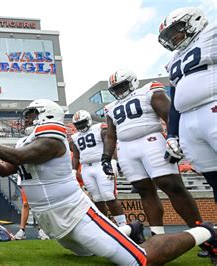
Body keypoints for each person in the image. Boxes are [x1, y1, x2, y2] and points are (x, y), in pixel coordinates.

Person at [0, 99, 217, 265]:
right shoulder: (27, 141)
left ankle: (206, 231)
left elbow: (16, 157)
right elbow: (4, 168)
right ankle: (132, 229)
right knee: (87, 252)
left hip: (74, 211)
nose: (27, 119)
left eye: (32, 114)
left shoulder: (53, 139)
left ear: (48, 115)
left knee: (137, 260)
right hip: (49, 216)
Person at [102, 69, 203, 236]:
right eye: (116, 89)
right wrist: (106, 158)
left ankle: (203, 233)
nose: (119, 91)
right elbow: (111, 135)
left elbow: (168, 115)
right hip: (126, 148)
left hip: (152, 141)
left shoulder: (149, 90)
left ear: (133, 81)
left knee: (171, 185)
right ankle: (157, 235)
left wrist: (174, 138)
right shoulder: (110, 107)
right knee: (143, 190)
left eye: (122, 86)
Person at [158, 7, 216, 202]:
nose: (173, 37)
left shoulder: (211, 34)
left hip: (212, 106)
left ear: (194, 21)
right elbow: (174, 98)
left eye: (176, 30)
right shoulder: (174, 59)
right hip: (188, 120)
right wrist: (172, 133)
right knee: (213, 178)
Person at [71, 110, 127, 227]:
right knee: (96, 198)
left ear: (89, 121)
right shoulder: (75, 137)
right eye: (78, 124)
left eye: (82, 122)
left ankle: (123, 225)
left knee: (109, 195)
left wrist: (113, 161)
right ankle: (104, 225)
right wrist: (74, 170)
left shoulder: (99, 129)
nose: (81, 126)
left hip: (101, 164)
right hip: (86, 168)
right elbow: (76, 156)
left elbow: (110, 144)